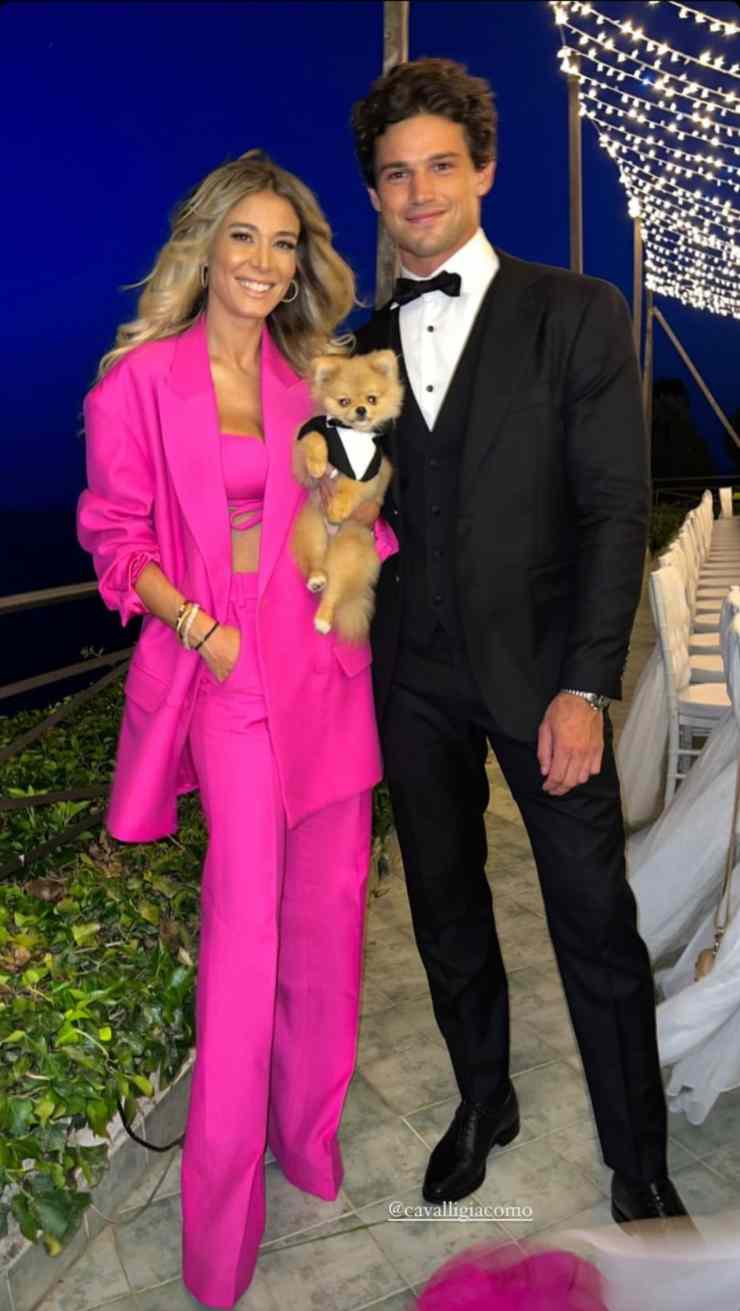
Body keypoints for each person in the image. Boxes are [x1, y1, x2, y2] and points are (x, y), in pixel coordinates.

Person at [350, 59, 688, 1224]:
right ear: (375, 193)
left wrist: (585, 687)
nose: (419, 191)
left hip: (545, 677)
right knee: (444, 911)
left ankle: (638, 1162)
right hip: (411, 680)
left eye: (440, 165)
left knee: (592, 920)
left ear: (483, 171)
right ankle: (482, 1098)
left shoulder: (573, 310)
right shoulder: (360, 345)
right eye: (396, 174)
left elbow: (613, 512)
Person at [77, 150, 396, 1308]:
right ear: (204, 248)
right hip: (229, 675)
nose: (264, 261)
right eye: (244, 238)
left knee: (328, 919)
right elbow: (116, 539)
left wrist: (352, 528)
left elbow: (357, 515)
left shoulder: (313, 374)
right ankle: (219, 1229)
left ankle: (306, 1142)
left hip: (324, 667)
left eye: (283, 243)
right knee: (245, 935)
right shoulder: (136, 385)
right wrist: (200, 628)